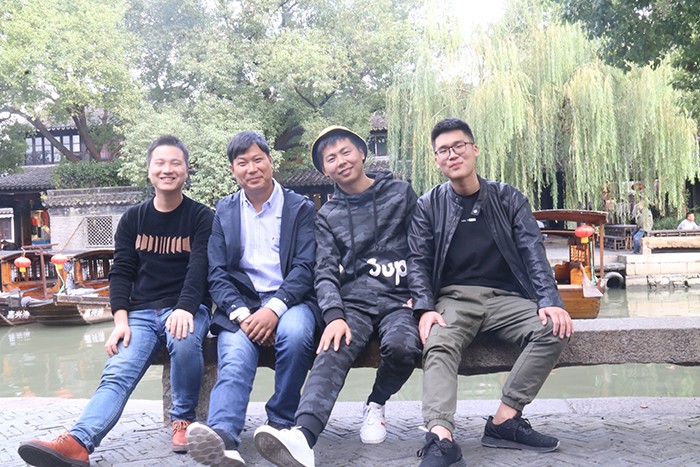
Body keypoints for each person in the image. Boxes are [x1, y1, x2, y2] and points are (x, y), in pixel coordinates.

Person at [18, 135, 214, 466]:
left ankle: (183, 419)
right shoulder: (133, 219)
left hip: (186, 306)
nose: (167, 169)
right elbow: (121, 272)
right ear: (149, 169)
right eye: (160, 163)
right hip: (140, 312)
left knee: (183, 340)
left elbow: (199, 270)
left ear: (186, 170)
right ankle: (79, 441)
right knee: (118, 371)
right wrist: (120, 320)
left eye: (175, 163)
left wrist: (185, 308)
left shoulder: (201, 217)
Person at [407, 118, 573, 466]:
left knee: (554, 328)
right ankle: (441, 437)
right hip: (454, 298)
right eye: (443, 150)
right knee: (438, 341)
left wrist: (550, 301)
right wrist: (424, 308)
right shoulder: (428, 204)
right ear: (436, 160)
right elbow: (418, 261)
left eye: (459, 146)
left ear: (474, 150)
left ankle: (504, 421)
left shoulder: (508, 197)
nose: (452, 155)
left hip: (506, 299)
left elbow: (532, 251)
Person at [254, 126, 422, 467]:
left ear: (362, 153)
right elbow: (325, 270)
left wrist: (422, 298)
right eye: (330, 158)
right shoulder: (328, 215)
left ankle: (376, 403)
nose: (340, 161)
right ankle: (303, 436)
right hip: (354, 303)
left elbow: (422, 248)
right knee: (331, 349)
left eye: (346, 152)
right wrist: (334, 315)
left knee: (404, 347)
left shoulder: (400, 194)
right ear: (324, 170)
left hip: (399, 299)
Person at [186, 131, 319, 467]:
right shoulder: (225, 211)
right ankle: (223, 438)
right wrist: (243, 314)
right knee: (234, 358)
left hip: (291, 300)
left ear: (271, 161)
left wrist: (274, 310)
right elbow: (217, 272)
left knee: (296, 335)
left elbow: (305, 266)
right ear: (233, 170)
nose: (251, 168)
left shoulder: (299, 208)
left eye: (258, 159)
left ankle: (280, 425)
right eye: (242, 163)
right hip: (241, 305)